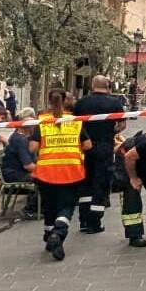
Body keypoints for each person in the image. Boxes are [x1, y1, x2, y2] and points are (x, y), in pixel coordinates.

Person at [28, 87, 90, 261]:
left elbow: (32, 147)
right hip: (71, 171)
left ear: (48, 101)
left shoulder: (42, 122)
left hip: (46, 173)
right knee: (67, 206)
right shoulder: (75, 121)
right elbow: (88, 145)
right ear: (65, 100)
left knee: (50, 206)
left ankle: (49, 237)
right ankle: (59, 232)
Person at [73, 75, 125, 234]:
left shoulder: (81, 103)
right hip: (104, 146)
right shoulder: (115, 103)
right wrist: (110, 130)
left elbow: (74, 123)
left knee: (85, 183)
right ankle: (94, 222)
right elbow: (121, 125)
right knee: (100, 183)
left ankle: (83, 220)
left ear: (92, 85)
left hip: (85, 147)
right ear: (108, 86)